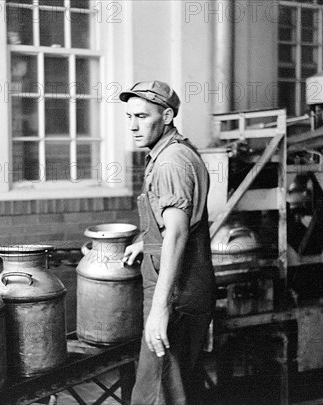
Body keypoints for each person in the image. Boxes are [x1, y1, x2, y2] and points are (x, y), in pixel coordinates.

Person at [120, 81, 216, 404]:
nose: (133, 125)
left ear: (167, 115)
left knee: (154, 394)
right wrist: (144, 242)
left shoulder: (171, 162)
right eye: (129, 116)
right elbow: (167, 225)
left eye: (142, 116)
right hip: (180, 288)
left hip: (176, 294)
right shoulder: (170, 152)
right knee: (177, 389)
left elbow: (177, 233)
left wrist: (160, 310)